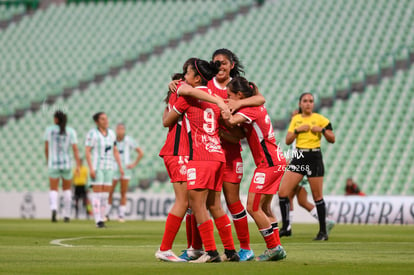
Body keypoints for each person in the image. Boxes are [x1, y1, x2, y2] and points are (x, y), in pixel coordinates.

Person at [171, 49, 264, 261]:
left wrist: (236, 106)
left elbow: (258, 102)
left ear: (232, 64)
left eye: (223, 63)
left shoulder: (238, 87)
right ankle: (197, 248)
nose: (219, 66)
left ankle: (244, 249)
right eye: (215, 63)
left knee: (229, 202)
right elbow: (187, 89)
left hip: (227, 155)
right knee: (202, 204)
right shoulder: (207, 86)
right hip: (210, 153)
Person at [162, 58, 238, 263]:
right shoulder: (214, 95)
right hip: (218, 154)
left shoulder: (187, 95)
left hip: (200, 156)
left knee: (197, 205)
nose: (183, 77)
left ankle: (211, 252)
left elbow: (167, 121)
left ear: (196, 78)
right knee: (215, 205)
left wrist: (175, 93)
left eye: (186, 74)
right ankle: (230, 251)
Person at [222, 77, 287, 261]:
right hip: (276, 160)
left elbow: (231, 121)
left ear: (240, 95)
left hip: (269, 163)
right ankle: (277, 248)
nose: (228, 98)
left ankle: (273, 247)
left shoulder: (250, 110)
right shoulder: (254, 106)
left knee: (253, 207)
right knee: (265, 207)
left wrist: (220, 108)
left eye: (229, 96)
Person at [156, 60, 204, 262]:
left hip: (184, 152)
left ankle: (196, 248)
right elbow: (167, 120)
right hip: (178, 152)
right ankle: (165, 249)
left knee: (193, 203)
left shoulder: (178, 95)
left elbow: (165, 117)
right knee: (183, 201)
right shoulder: (184, 94)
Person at [278, 93, 335, 241]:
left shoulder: (320, 119)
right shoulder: (296, 120)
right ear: (300, 103)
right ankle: (286, 227)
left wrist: (322, 130)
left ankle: (323, 231)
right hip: (299, 156)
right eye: (305, 101)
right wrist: (297, 131)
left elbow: (332, 138)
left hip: (314, 156)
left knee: (317, 196)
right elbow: (287, 140)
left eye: (311, 101)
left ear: (313, 104)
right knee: (283, 192)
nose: (308, 103)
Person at [85, 112, 124, 228]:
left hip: (109, 167)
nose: (105, 121)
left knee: (105, 195)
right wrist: (91, 168)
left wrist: (120, 167)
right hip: (98, 167)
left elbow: (115, 150)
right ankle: (97, 220)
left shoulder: (111, 134)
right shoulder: (92, 134)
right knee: (97, 194)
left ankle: (102, 218)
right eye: (102, 119)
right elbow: (87, 151)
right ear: (97, 122)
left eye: (106, 119)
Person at [44, 110, 81, 223]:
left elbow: (46, 147)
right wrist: (78, 165)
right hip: (67, 163)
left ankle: (54, 209)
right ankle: (67, 214)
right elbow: (75, 149)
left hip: (54, 162)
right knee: (67, 189)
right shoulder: (71, 131)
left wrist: (48, 160)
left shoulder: (49, 130)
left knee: (54, 188)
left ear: (56, 119)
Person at [106, 123, 144, 222]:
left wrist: (134, 164)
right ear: (116, 130)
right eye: (118, 129)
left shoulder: (128, 140)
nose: (120, 131)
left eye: (122, 129)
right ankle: (106, 214)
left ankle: (121, 215)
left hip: (125, 169)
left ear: (124, 130)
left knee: (123, 192)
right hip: (114, 168)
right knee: (110, 191)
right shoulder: (112, 140)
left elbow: (140, 152)